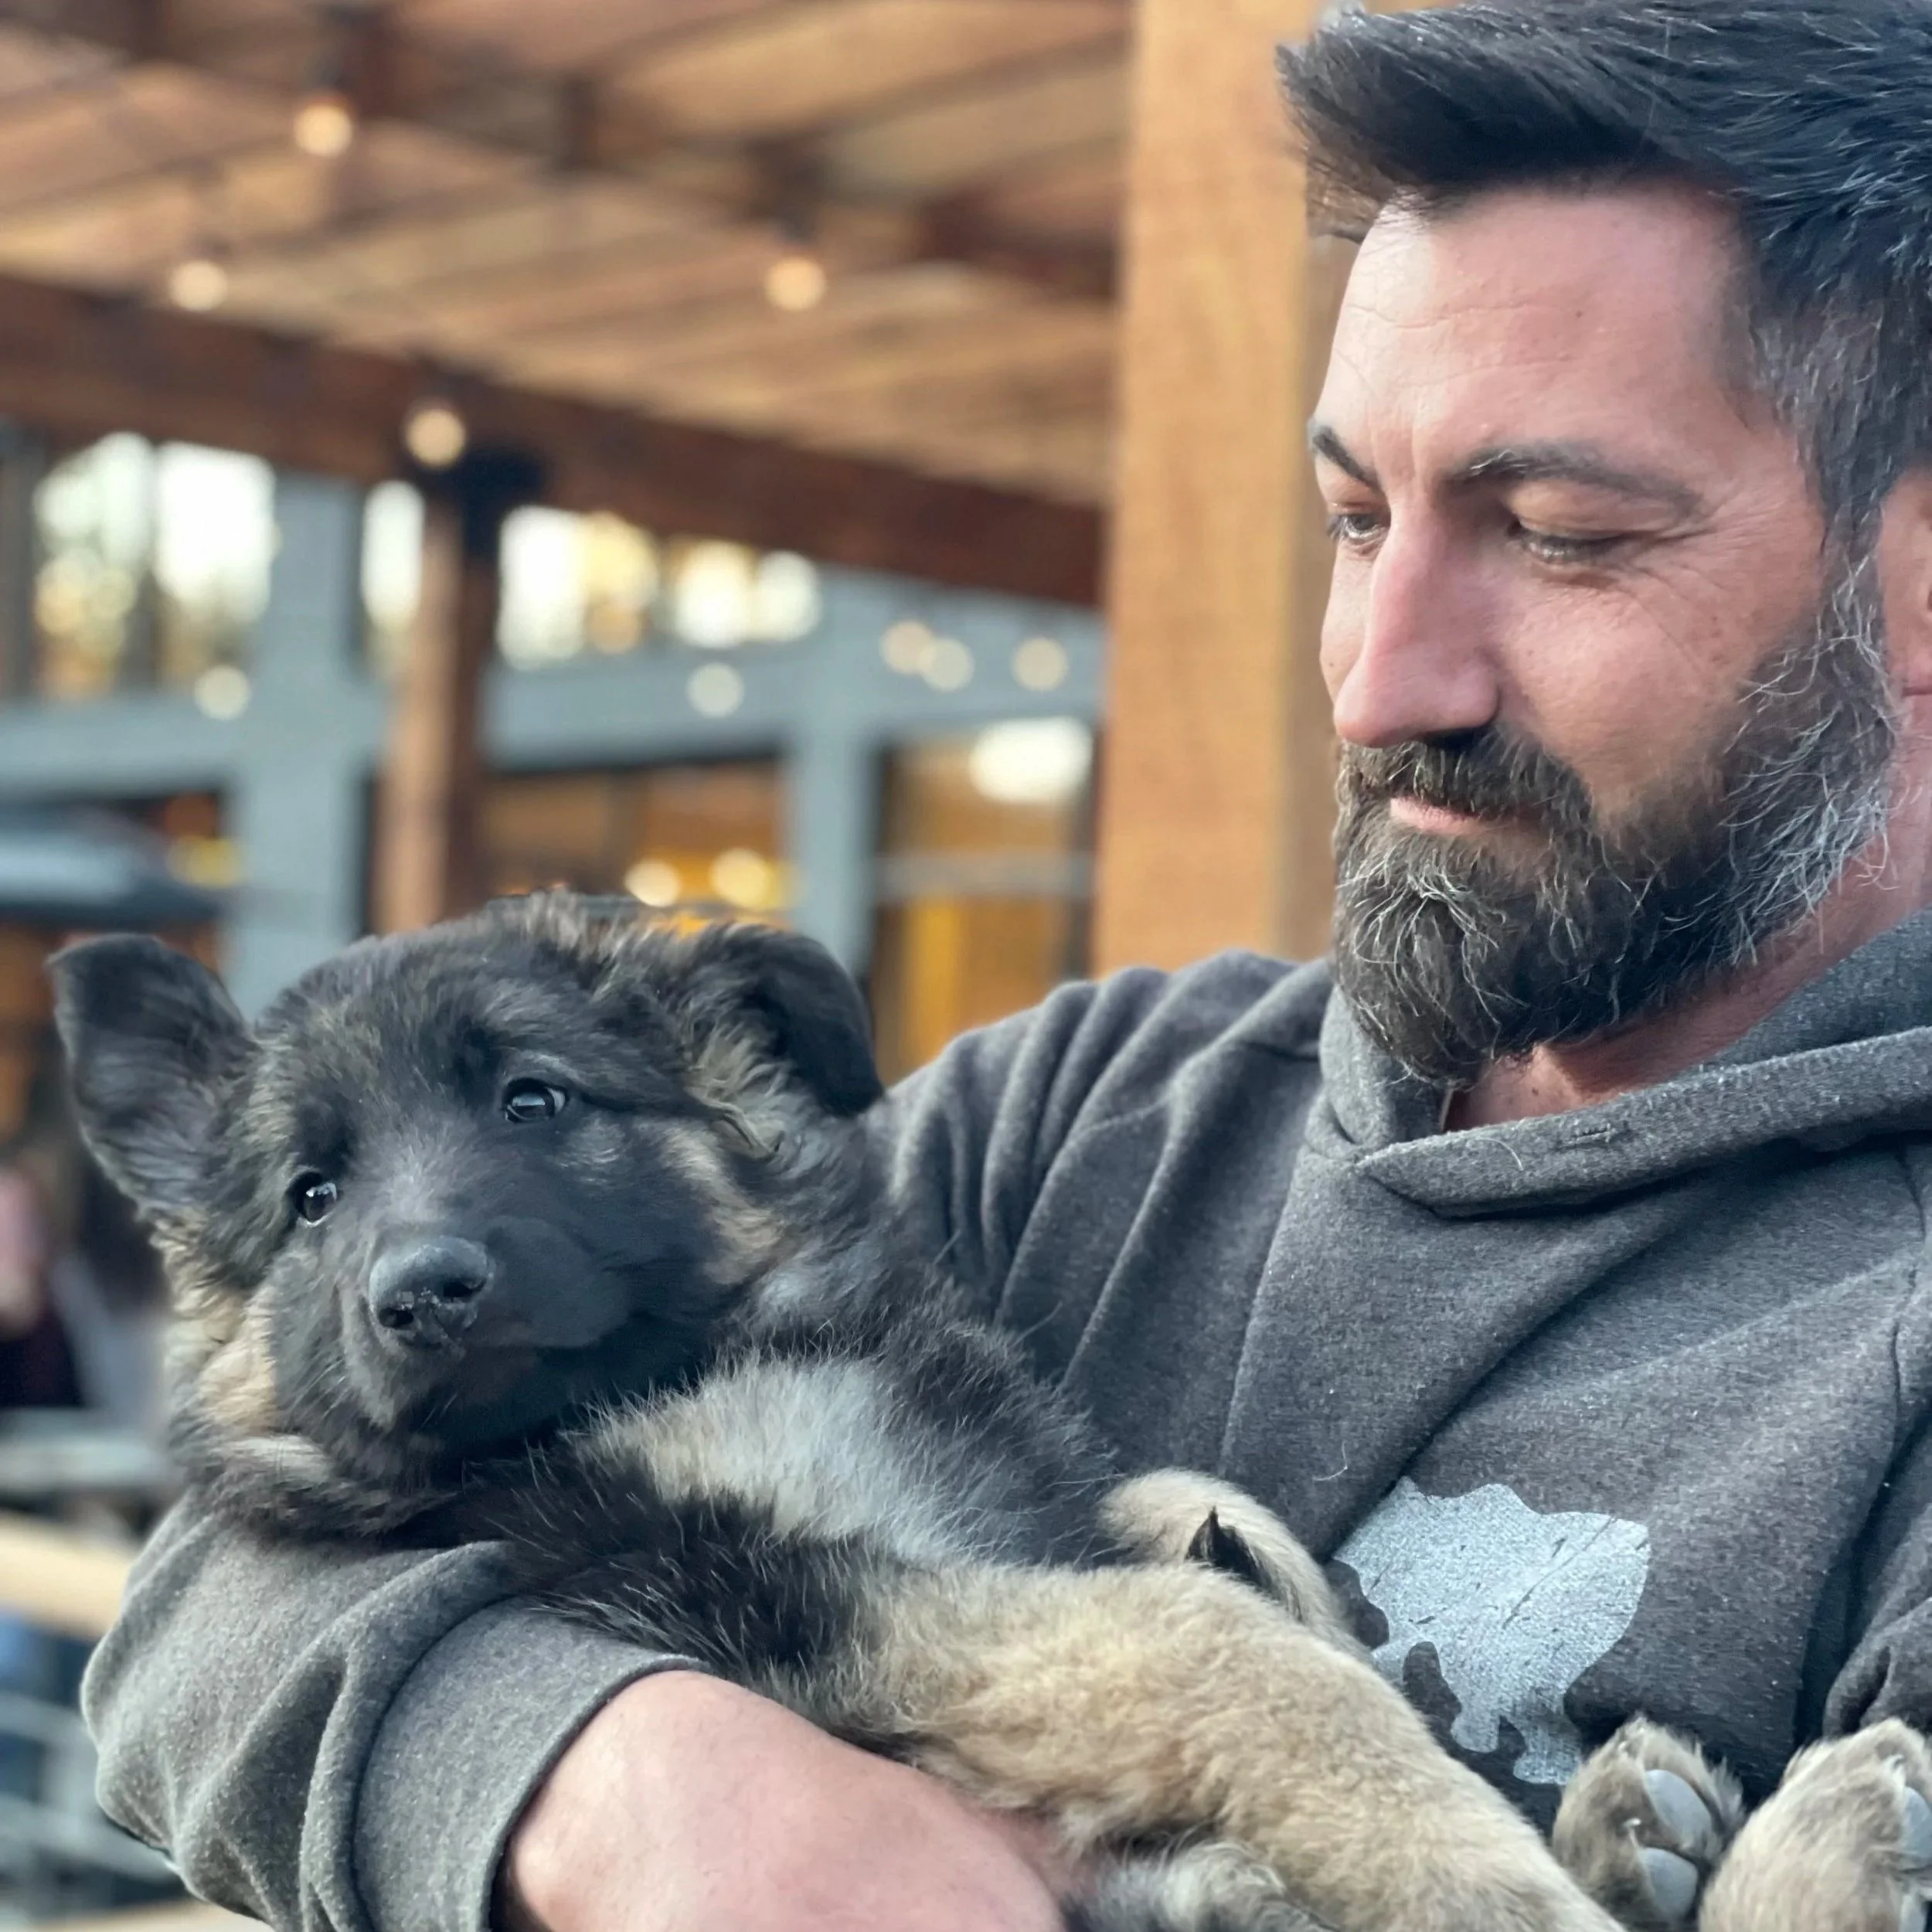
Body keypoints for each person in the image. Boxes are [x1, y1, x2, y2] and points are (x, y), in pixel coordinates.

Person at [77, 2, 1932, 1927]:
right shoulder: (1089, 1111)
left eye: (1553, 535)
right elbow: (207, 1616)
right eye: (1352, 519)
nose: (1384, 675)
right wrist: (640, 1788)